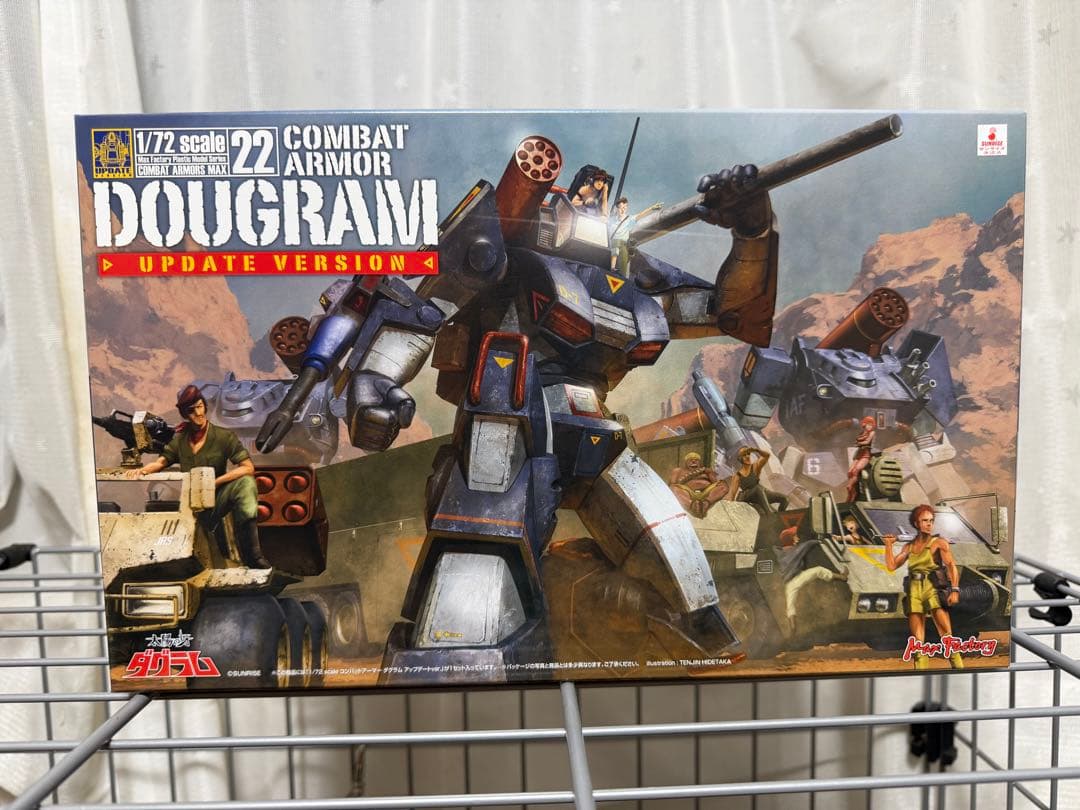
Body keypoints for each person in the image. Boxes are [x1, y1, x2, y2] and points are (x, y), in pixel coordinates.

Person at [131, 384, 268, 568]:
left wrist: (215, 482)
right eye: (191, 410)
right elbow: (161, 462)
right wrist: (143, 471)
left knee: (246, 484)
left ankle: (253, 556)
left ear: (204, 406)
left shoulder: (223, 437)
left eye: (200, 406)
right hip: (190, 503)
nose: (198, 413)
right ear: (185, 414)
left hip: (215, 499)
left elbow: (247, 468)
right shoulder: (180, 440)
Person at [884, 504, 963, 669]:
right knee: (918, 641)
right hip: (914, 590)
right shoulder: (909, 547)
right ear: (916, 523)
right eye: (925, 520)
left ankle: (959, 669)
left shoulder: (939, 543)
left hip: (932, 588)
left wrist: (955, 590)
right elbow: (891, 566)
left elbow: (951, 566)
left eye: (931, 521)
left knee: (946, 634)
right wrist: (889, 545)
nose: (929, 524)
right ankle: (920, 672)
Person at [609, 196, 663, 273]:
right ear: (617, 208)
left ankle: (617, 271)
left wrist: (651, 208)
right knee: (615, 249)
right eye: (620, 207)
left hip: (623, 244)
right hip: (613, 243)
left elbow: (641, 215)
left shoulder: (629, 219)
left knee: (623, 267)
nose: (623, 210)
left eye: (624, 207)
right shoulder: (612, 220)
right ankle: (612, 267)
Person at [669, 451, 729, 518]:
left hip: (706, 494)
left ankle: (705, 504)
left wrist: (709, 473)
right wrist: (685, 478)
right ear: (686, 463)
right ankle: (692, 506)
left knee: (723, 485)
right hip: (688, 493)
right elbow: (672, 484)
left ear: (699, 462)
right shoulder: (678, 471)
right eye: (690, 460)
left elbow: (715, 482)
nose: (693, 461)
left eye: (696, 460)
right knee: (673, 488)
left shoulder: (706, 470)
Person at [731, 446, 788, 514]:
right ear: (740, 458)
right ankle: (770, 513)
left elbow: (767, 455)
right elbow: (732, 494)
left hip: (760, 492)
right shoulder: (737, 475)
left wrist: (756, 450)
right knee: (758, 489)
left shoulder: (755, 467)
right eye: (744, 455)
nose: (747, 456)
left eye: (748, 454)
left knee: (785, 499)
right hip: (747, 496)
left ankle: (781, 515)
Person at [845, 416, 877, 502]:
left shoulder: (872, 433)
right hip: (858, 455)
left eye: (871, 425)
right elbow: (857, 441)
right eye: (868, 424)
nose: (869, 426)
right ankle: (852, 492)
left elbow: (867, 441)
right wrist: (859, 442)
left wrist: (859, 442)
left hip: (866, 456)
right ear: (864, 425)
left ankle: (850, 486)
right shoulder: (862, 433)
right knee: (850, 472)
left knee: (856, 470)